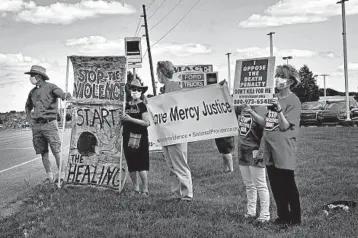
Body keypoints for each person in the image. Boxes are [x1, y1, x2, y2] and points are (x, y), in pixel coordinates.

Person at [244, 64, 302, 227]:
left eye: (281, 76)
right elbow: (266, 123)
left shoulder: (293, 101)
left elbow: (284, 126)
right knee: (275, 183)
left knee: (287, 183)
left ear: (290, 81)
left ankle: (295, 219)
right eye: (276, 75)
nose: (277, 79)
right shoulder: (272, 98)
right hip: (268, 146)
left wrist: (279, 110)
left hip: (283, 148)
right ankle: (282, 216)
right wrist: (252, 112)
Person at [25, 65, 71, 185]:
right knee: (43, 152)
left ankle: (62, 176)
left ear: (39, 76)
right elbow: (28, 107)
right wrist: (30, 120)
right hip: (37, 126)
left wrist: (65, 95)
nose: (31, 78)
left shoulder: (51, 87)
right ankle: (49, 176)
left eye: (32, 75)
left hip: (50, 123)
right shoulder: (32, 92)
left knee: (56, 150)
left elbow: (60, 94)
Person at [156, 61, 193, 201]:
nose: (157, 76)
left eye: (157, 72)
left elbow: (176, 107)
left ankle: (187, 194)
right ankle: (176, 193)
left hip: (176, 131)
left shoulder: (173, 86)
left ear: (162, 72)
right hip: (167, 131)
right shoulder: (166, 88)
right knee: (172, 164)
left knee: (179, 163)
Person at [236, 105, 270, 224]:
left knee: (260, 184)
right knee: (249, 184)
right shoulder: (241, 107)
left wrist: (261, 151)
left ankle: (265, 214)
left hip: (255, 150)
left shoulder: (262, 109)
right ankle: (251, 211)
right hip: (242, 150)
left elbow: (266, 132)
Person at [121, 79, 150, 196]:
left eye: (138, 90)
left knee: (141, 165)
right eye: (133, 89)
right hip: (127, 137)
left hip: (140, 137)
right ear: (130, 91)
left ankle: (145, 189)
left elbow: (146, 122)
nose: (136, 91)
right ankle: (135, 189)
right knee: (131, 165)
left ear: (141, 92)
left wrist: (130, 119)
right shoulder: (126, 105)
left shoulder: (142, 106)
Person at [214, 80, 234, 173]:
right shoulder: (216, 100)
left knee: (226, 151)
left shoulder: (228, 99)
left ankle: (231, 170)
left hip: (226, 129)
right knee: (223, 152)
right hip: (219, 128)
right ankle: (226, 169)